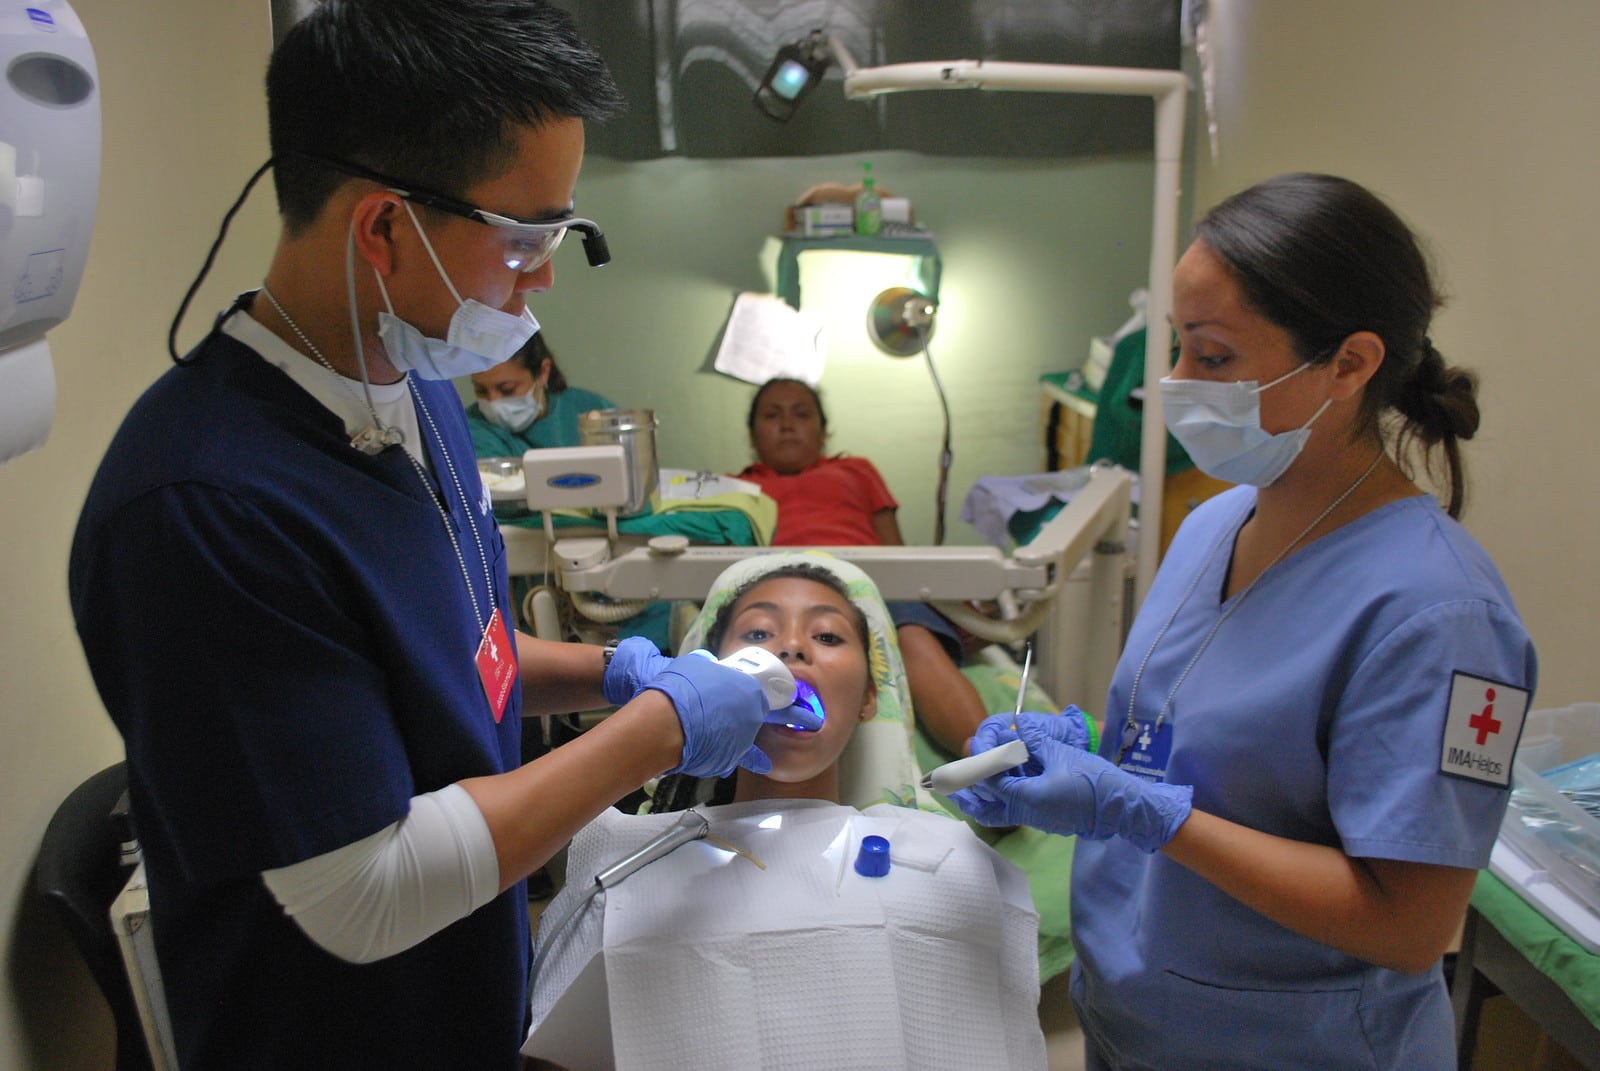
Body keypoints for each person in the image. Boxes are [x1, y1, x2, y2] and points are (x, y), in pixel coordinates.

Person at [66, 4, 819, 1069]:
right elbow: (361, 893)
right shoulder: (205, 508)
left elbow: (462, 659)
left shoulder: (412, 399)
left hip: (461, 999)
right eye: (526, 240)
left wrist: (616, 671)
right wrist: (659, 727)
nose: (543, 280)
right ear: (383, 229)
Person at [952, 173, 1538, 1069]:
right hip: (1132, 1019)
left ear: (1349, 364)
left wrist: (1145, 813)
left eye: (1214, 358)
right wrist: (1076, 755)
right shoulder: (1216, 523)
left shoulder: (1442, 619)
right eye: (1178, 348)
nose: (1176, 384)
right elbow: (1189, 748)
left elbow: (1412, 925)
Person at [524, 553, 1046, 1070]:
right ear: (703, 677)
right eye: (757, 635)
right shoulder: (621, 869)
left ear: (869, 697)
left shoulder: (947, 862)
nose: (791, 647)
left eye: (827, 636)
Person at [736, 376, 992, 757]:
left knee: (911, 635)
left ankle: (993, 768)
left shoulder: (857, 471)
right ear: (754, 436)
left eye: (802, 414)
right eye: (772, 415)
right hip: (784, 590)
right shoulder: (737, 489)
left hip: (874, 585)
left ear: (823, 432)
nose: (787, 424)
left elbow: (896, 554)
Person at [466, 329, 615, 457]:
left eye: (507, 389)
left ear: (543, 372)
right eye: (481, 391)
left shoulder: (591, 408)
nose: (493, 402)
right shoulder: (470, 427)